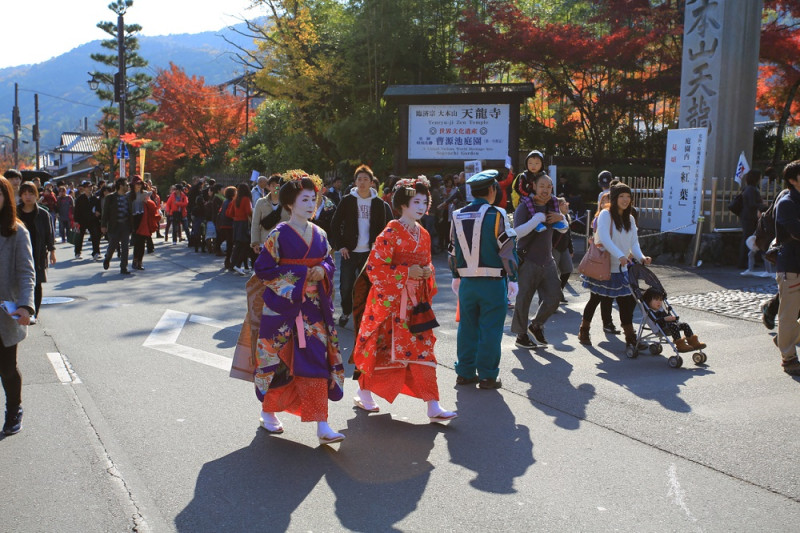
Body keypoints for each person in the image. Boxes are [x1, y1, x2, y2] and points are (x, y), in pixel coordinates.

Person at [352, 177, 457, 421]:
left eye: (424, 202)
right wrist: (406, 272)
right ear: (402, 205)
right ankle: (363, 391)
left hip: (416, 305)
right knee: (380, 348)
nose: (421, 206)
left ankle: (433, 404)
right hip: (390, 304)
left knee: (424, 348)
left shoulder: (424, 234)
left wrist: (428, 271)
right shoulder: (391, 231)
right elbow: (375, 268)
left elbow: (427, 262)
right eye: (416, 202)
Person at [252, 173, 345, 444]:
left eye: (313, 199)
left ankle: (322, 424)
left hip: (313, 310)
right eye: (304, 199)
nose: (310, 204)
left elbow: (329, 261)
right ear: (290, 204)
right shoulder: (278, 234)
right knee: (279, 361)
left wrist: (322, 269)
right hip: (283, 309)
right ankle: (268, 411)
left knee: (317, 360)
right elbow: (263, 269)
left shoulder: (320, 234)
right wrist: (303, 275)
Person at [449, 170, 518, 389]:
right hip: (493, 283)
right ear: (492, 189)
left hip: (467, 283)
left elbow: (453, 249)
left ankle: (464, 372)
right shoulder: (498, 214)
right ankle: (488, 375)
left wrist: (455, 275)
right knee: (490, 329)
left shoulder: (457, 215)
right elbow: (507, 249)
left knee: (467, 328)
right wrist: (513, 277)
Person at [579, 182, 651, 354]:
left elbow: (634, 243)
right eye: (621, 196)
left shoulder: (630, 218)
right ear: (614, 198)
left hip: (622, 269)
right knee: (595, 299)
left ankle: (630, 338)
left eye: (628, 196)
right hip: (604, 267)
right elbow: (604, 238)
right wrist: (619, 255)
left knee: (626, 303)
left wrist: (641, 257)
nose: (625, 200)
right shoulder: (605, 214)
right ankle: (584, 330)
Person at [328, 164, 394, 327]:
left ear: (371, 182)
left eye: (366, 179)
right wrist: (340, 245)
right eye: (359, 179)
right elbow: (335, 224)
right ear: (355, 182)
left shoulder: (378, 203)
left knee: (368, 286)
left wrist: (378, 247)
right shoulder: (347, 200)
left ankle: (365, 315)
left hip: (369, 253)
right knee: (346, 286)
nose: (362, 182)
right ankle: (346, 311)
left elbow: (384, 228)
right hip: (349, 251)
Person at [511, 173, 567, 349]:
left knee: (554, 298)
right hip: (528, 259)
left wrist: (562, 218)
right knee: (524, 299)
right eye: (542, 186)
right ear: (534, 186)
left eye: (549, 186)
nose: (545, 190)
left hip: (548, 260)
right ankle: (521, 335)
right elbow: (516, 233)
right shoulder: (524, 207)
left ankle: (536, 325)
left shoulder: (553, 204)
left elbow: (564, 229)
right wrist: (536, 219)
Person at [0, 176, 35, 435]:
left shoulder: (16, 231)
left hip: (5, 312)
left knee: (7, 369)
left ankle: (14, 409)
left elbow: (26, 272)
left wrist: (25, 306)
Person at [577, 191, 620, 345]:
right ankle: (584, 329)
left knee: (608, 296)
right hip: (600, 261)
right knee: (595, 297)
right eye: (603, 201)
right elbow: (600, 241)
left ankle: (607, 323)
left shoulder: (616, 217)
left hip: (611, 262)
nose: (605, 203)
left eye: (608, 200)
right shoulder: (599, 218)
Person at [775, 160, 800, 376]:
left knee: (789, 321)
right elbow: (796, 231)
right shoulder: (787, 202)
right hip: (792, 266)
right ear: (792, 180)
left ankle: (785, 337)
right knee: (789, 315)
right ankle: (789, 358)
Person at [17, 182, 56, 318]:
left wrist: (52, 251)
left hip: (38, 252)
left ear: (36, 195)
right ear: (21, 196)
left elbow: (49, 234)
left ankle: (34, 313)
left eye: (31, 193)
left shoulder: (43, 214)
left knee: (37, 283)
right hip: (19, 253)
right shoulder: (15, 212)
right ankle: (22, 309)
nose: (28, 197)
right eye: (24, 194)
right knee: (20, 282)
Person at [642, 288, 706, 352]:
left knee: (685, 325)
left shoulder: (661, 309)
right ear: (648, 300)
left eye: (661, 300)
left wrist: (673, 318)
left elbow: (668, 316)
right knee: (673, 325)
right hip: (661, 328)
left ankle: (693, 342)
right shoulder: (650, 311)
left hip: (670, 325)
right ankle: (680, 345)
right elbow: (655, 320)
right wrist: (665, 319)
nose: (659, 302)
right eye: (656, 299)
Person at [101, 178, 133, 275]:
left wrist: (132, 226)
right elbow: (105, 213)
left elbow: (130, 212)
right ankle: (107, 258)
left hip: (125, 226)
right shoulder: (110, 198)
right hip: (114, 226)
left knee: (125, 247)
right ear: (121, 186)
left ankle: (124, 267)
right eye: (126, 185)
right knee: (112, 246)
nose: (128, 187)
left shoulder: (128, 197)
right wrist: (103, 225)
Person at [738, 169, 767, 276]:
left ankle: (749, 261)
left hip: (748, 217)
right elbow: (752, 204)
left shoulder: (749, 188)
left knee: (750, 238)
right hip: (749, 217)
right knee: (748, 239)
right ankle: (743, 262)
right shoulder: (751, 189)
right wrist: (763, 206)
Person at [251, 175, 287, 255]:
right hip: (265, 241)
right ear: (268, 187)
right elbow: (255, 223)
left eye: (278, 186)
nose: (275, 189)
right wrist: (255, 242)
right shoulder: (261, 202)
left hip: (283, 242)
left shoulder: (288, 203)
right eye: (273, 186)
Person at [226, 183, 254, 276]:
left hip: (236, 224)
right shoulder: (246, 199)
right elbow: (248, 211)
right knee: (245, 245)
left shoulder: (235, 199)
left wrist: (236, 217)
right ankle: (238, 264)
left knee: (237, 245)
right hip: (244, 223)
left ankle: (232, 264)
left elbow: (230, 213)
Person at [132, 184, 160, 270]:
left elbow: (153, 209)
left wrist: (147, 201)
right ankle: (135, 261)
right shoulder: (132, 196)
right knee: (137, 243)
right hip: (135, 223)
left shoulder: (147, 200)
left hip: (144, 225)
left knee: (141, 244)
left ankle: (139, 262)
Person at [553, 197, 574, 302]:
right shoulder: (554, 217)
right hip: (554, 248)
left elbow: (568, 235)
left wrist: (571, 249)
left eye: (566, 203)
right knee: (552, 273)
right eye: (563, 204)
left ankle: (558, 291)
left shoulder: (566, 216)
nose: (566, 205)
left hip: (564, 248)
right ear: (558, 206)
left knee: (568, 269)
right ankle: (552, 297)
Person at [73, 180, 102, 260]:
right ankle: (77, 252)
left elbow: (99, 208)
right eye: (88, 187)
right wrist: (76, 221)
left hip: (93, 219)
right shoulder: (80, 198)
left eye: (91, 187)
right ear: (84, 188)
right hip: (82, 220)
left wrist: (98, 212)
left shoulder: (95, 198)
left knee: (95, 236)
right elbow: (76, 210)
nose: (90, 188)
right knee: (80, 237)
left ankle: (96, 252)